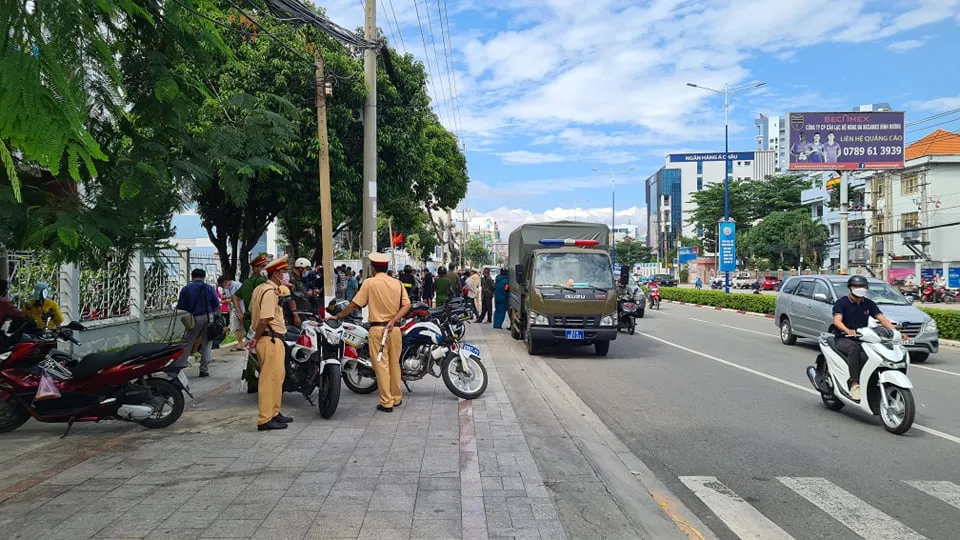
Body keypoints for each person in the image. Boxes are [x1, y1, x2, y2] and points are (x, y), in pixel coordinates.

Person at [330, 252, 411, 412]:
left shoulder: (369, 283)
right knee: (394, 364)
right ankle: (396, 397)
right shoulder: (398, 284)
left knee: (381, 365)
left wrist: (338, 315)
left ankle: (386, 402)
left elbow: (355, 304)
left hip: (378, 330)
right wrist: (394, 320)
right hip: (394, 330)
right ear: (386, 267)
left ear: (373, 268)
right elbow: (407, 305)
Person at [247, 255, 293, 431]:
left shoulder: (261, 288)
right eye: (283, 272)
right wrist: (256, 338)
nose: (285, 276)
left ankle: (274, 412)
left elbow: (252, 310)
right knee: (269, 380)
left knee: (277, 377)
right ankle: (265, 419)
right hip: (270, 339)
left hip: (272, 339)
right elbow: (265, 318)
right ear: (276, 274)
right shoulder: (269, 292)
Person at [832, 275, 897, 401]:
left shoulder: (868, 304)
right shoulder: (842, 303)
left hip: (863, 337)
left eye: (862, 286)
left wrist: (896, 332)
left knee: (873, 353)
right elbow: (837, 321)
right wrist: (847, 330)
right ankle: (854, 384)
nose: (860, 289)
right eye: (857, 286)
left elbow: (882, 319)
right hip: (843, 338)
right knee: (854, 350)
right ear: (850, 288)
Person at [174, 269, 219, 377]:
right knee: (207, 342)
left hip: (194, 318)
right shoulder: (209, 288)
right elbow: (216, 303)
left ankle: (179, 367)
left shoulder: (186, 289)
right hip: (209, 317)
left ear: (192, 276)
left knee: (188, 341)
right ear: (204, 277)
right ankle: (204, 369)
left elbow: (181, 306)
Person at [237, 253, 269, 392]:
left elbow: (235, 297)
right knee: (262, 349)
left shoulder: (246, 282)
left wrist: (240, 313)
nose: (264, 268)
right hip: (260, 320)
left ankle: (251, 380)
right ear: (255, 268)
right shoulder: (261, 282)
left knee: (251, 349)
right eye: (262, 266)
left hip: (248, 319)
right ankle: (264, 379)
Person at [218, 275, 245, 352]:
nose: (223, 286)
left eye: (222, 284)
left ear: (225, 282)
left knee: (242, 325)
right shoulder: (226, 289)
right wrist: (225, 301)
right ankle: (240, 343)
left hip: (242, 308)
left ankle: (244, 343)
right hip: (233, 309)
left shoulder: (237, 285)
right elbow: (228, 298)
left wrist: (230, 300)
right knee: (237, 326)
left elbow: (242, 296)